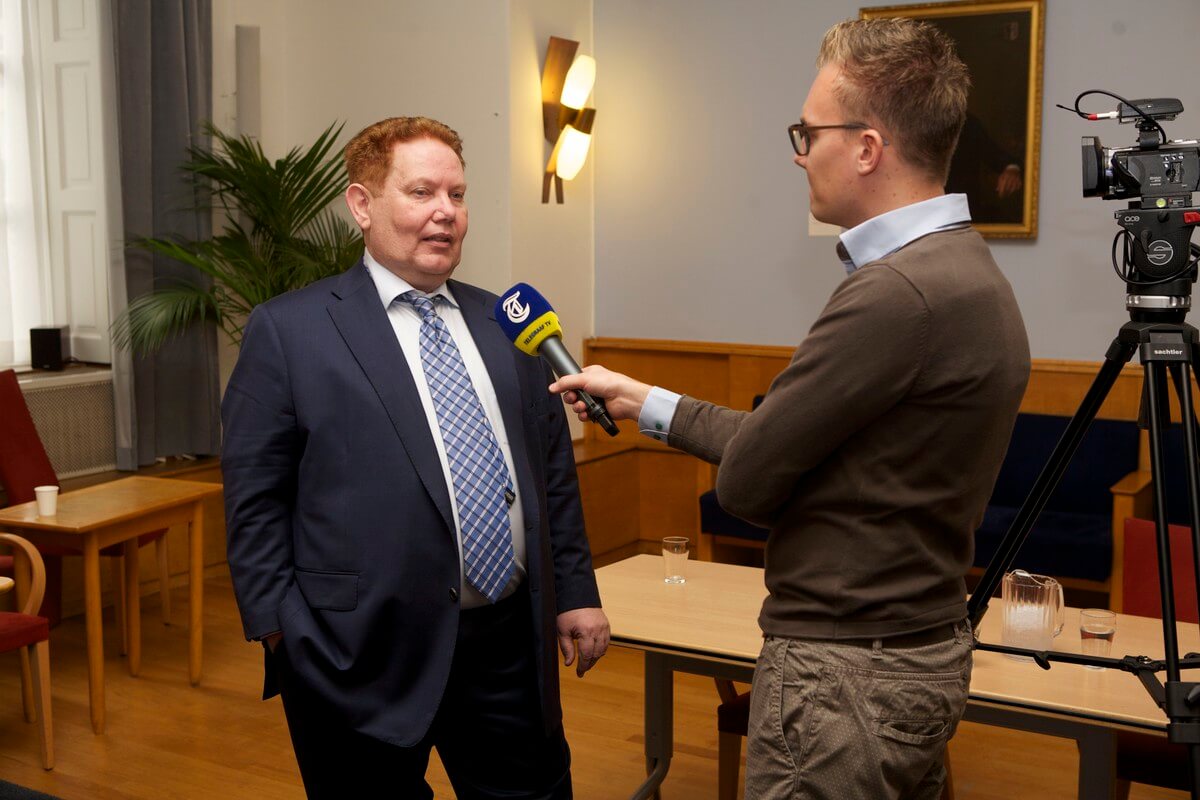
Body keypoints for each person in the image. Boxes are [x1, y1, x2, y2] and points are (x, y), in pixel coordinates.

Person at [552, 18, 1030, 800]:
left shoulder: (894, 294)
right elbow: (791, 443)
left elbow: (744, 486)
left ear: (869, 148)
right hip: (914, 649)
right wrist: (646, 402)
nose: (799, 154)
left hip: (845, 675)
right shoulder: (965, 270)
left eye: (809, 133)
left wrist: (751, 455)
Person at [222, 115, 609, 799]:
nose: (445, 214)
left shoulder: (507, 326)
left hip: (506, 648)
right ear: (362, 205)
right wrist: (285, 636)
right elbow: (255, 500)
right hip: (356, 655)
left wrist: (575, 593)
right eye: (422, 192)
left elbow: (551, 475)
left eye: (457, 196)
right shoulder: (290, 331)